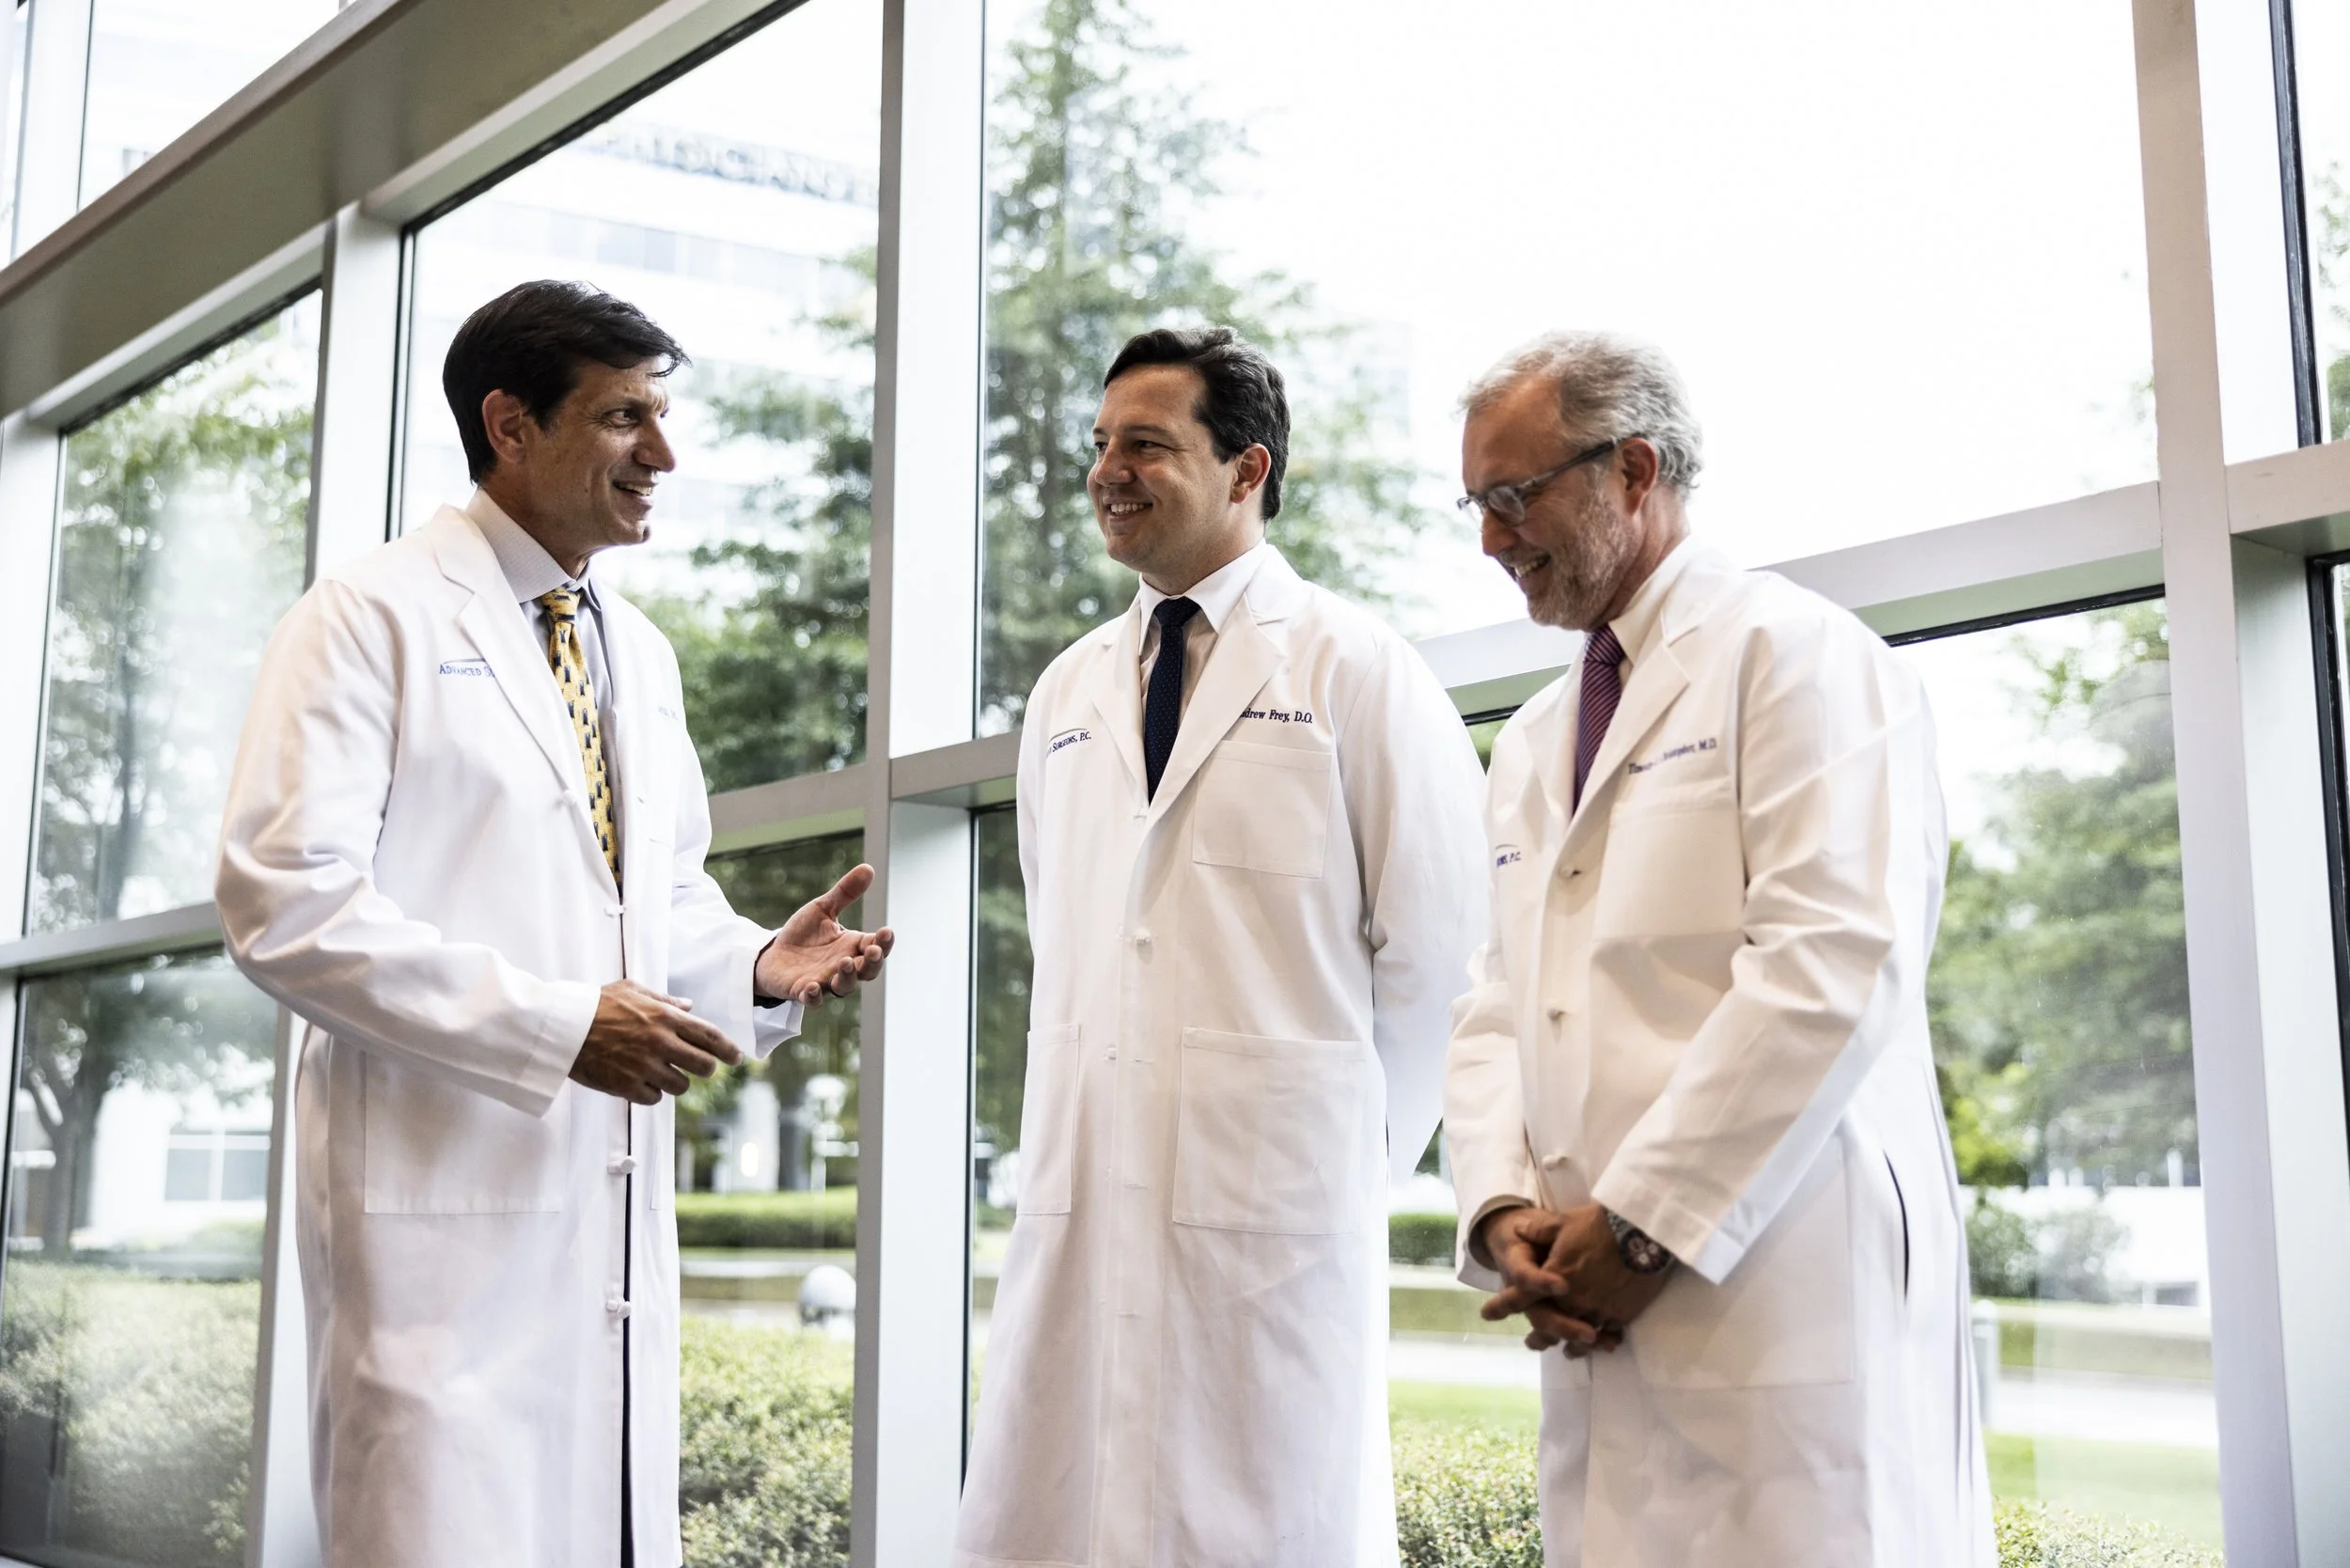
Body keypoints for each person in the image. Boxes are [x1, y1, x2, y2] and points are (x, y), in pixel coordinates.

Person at [214, 280, 892, 1568]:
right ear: (510, 425)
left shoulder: (635, 650)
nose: (665, 455)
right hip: (437, 1222)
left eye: (665, 415)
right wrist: (555, 1026)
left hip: (602, 1213)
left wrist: (752, 963)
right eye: (626, 416)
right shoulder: (367, 619)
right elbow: (283, 899)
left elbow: (656, 895)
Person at [1441, 331, 1992, 1567]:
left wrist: (1644, 1227)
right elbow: (1493, 1003)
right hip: (1590, 1301)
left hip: (1775, 1278)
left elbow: (1833, 962)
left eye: (1514, 497)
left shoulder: (1799, 656)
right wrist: (1500, 1208)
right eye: (1475, 504)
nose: (1491, 539)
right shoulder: (1534, 739)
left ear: (1632, 469)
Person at [956, 326, 1487, 1567]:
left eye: (1145, 444)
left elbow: (1441, 966)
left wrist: (1336, 1160)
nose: (1106, 471)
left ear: (1246, 470)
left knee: (1266, 1520)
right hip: (1093, 1192)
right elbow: (1074, 947)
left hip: (1278, 1221)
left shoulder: (1360, 671)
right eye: (1099, 445)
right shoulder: (1068, 693)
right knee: (1063, 1507)